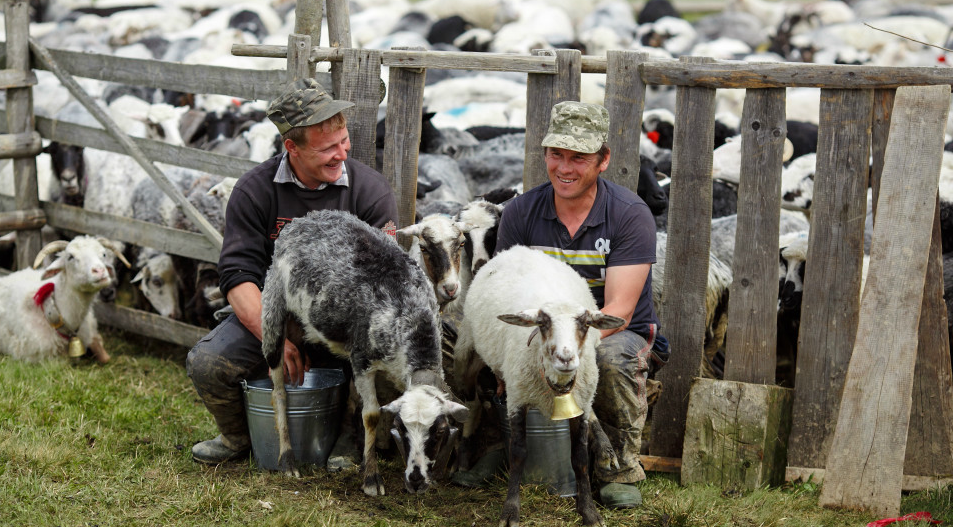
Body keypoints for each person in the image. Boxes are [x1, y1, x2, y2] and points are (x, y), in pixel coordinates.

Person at [463, 101, 670, 508]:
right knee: (478, 349)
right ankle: (501, 448)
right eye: (556, 155)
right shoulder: (522, 211)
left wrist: (563, 349)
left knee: (606, 360)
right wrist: (516, 352)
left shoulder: (629, 215)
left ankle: (617, 467)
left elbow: (620, 309)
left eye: (579, 157)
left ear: (603, 160)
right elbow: (504, 285)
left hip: (612, 331)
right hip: (541, 332)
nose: (565, 168)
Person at [187, 78, 398, 465]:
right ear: (291, 147)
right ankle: (239, 437)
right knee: (207, 363)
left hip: (350, 322)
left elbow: (384, 284)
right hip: (278, 313)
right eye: (327, 148)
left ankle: (351, 438)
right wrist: (274, 338)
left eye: (344, 141)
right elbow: (236, 272)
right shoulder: (255, 190)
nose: (341, 154)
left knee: (386, 355)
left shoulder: (370, 192)